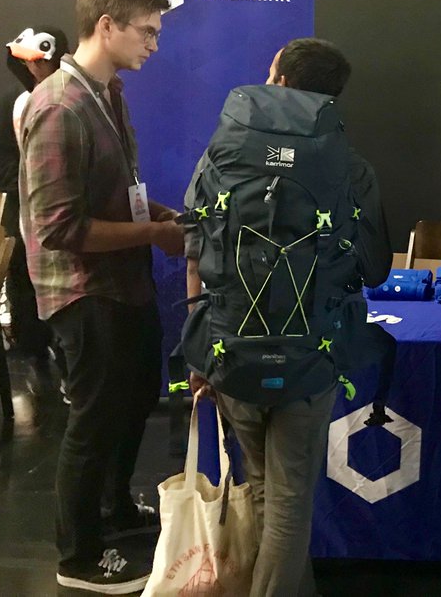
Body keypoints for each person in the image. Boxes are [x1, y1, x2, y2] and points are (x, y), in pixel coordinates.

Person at [186, 38, 392, 597]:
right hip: (310, 353)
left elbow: (195, 252)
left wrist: (198, 350)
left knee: (262, 486)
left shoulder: (222, 155)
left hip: (231, 346)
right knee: (290, 498)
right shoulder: (350, 167)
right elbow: (375, 268)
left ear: (277, 80)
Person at [19, 0, 184, 594]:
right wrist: (153, 235)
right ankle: (80, 556)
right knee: (92, 423)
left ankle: (114, 511)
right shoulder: (58, 106)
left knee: (133, 402)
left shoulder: (108, 93)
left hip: (123, 284)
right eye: (147, 32)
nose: (154, 45)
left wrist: (157, 215)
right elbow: (59, 227)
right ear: (107, 25)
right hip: (84, 291)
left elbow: (114, 192)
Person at [0, 26, 69, 388]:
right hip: (22, 211)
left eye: (41, 61)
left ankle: (64, 355)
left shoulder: (71, 97)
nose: (34, 68)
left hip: (65, 215)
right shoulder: (12, 102)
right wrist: (22, 183)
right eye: (28, 61)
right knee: (22, 277)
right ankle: (33, 347)